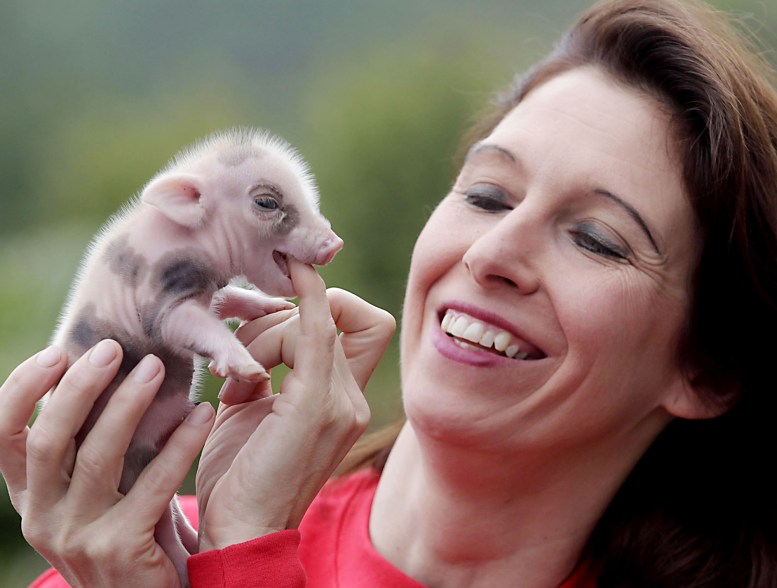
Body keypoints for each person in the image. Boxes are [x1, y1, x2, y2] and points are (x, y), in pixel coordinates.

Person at [2, 0, 777, 585]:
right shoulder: (124, 556)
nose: (492, 252)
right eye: (487, 194)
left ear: (706, 371)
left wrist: (242, 561)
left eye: (596, 239)